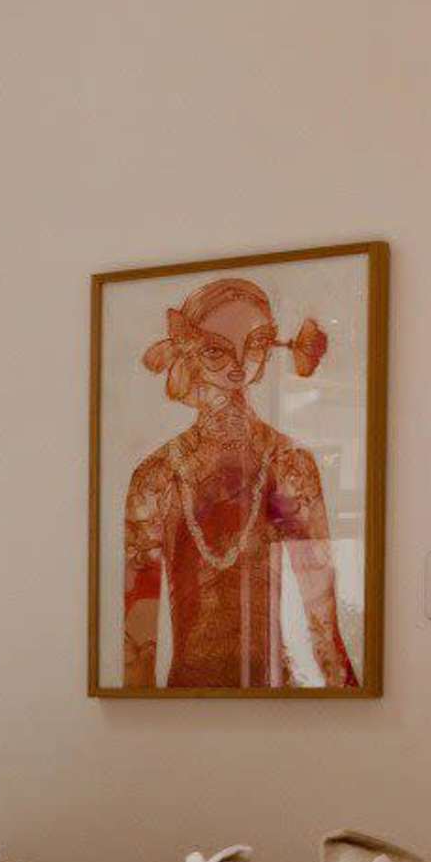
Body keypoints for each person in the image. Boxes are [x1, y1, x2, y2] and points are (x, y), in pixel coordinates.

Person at [118, 276, 361, 691]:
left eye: (255, 344)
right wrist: (138, 716)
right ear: (189, 349)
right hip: (181, 704)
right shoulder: (157, 475)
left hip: (278, 698)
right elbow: (138, 639)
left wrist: (346, 704)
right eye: (216, 349)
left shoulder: (288, 465)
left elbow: (321, 618)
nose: (238, 363)